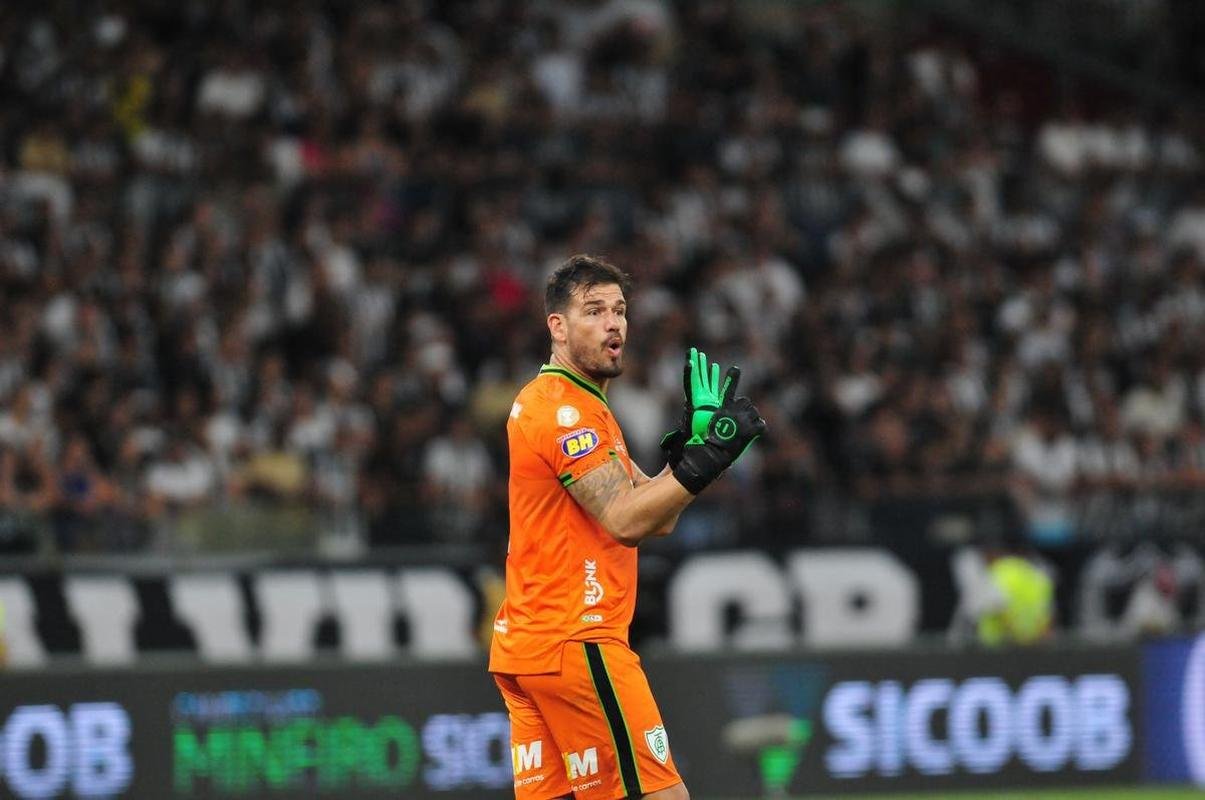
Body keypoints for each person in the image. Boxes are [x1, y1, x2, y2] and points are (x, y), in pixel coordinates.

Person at [489, 254, 766, 799]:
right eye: (594, 311)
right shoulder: (562, 411)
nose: (614, 323)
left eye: (619, 309)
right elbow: (623, 520)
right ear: (558, 327)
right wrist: (706, 461)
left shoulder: (580, 404)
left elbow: (651, 514)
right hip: (578, 639)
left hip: (534, 645)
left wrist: (689, 452)